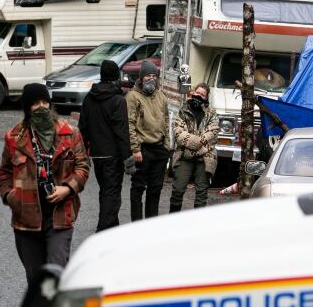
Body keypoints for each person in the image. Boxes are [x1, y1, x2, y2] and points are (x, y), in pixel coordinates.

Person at [0, 83, 90, 286]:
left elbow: (83, 166)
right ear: (27, 108)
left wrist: (67, 188)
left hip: (60, 215)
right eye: (35, 103)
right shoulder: (14, 137)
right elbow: (4, 171)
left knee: (56, 276)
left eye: (44, 102)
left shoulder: (70, 133)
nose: (41, 107)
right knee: (36, 280)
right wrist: (10, 196)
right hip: (26, 218)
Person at [78, 60, 131, 231]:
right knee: (112, 192)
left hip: (96, 153)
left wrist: (83, 153)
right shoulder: (118, 100)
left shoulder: (89, 98)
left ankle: (111, 225)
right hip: (113, 154)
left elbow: (82, 127)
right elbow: (121, 132)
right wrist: (128, 159)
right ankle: (105, 229)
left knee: (105, 190)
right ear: (116, 76)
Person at [125, 59, 169, 221]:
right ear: (141, 77)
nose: (151, 78)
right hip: (142, 150)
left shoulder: (161, 96)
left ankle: (151, 223)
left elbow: (166, 120)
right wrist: (135, 149)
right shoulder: (133, 96)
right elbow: (129, 123)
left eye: (154, 75)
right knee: (138, 188)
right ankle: (136, 224)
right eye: (147, 76)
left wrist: (166, 146)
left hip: (159, 149)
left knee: (155, 188)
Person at [169, 83, 219, 212]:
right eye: (197, 93)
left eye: (202, 94)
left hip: (205, 158)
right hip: (184, 156)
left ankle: (197, 225)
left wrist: (194, 144)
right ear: (192, 93)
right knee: (177, 190)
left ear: (206, 98)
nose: (199, 96)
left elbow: (212, 134)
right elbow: (178, 133)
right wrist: (198, 142)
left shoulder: (212, 113)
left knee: (201, 193)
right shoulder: (183, 111)